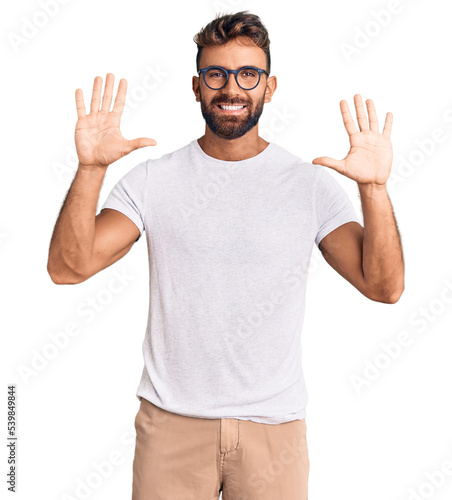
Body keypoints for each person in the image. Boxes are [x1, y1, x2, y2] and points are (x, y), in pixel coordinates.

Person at [47, 10, 405, 500]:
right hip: (171, 428)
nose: (231, 88)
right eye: (215, 73)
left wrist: (375, 189)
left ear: (269, 87)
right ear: (197, 87)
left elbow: (384, 287)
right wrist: (90, 169)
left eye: (247, 74)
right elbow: (68, 268)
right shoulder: (154, 181)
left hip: (273, 431)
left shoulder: (309, 185)